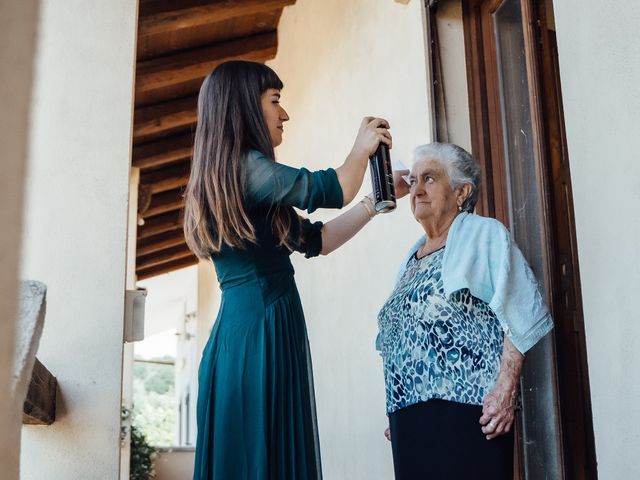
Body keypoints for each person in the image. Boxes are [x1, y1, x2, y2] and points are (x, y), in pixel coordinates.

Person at [184, 60, 404, 480]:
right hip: (260, 333)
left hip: (246, 333)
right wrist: (361, 148)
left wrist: (375, 203)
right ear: (245, 107)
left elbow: (317, 241)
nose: (284, 114)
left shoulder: (233, 178)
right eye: (275, 101)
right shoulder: (248, 168)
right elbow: (332, 189)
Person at [376, 142, 554, 479]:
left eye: (429, 178)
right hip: (410, 416)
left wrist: (505, 389)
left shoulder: (483, 235)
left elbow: (519, 309)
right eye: (413, 182)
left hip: (467, 411)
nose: (417, 190)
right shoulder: (411, 259)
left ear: (462, 192)